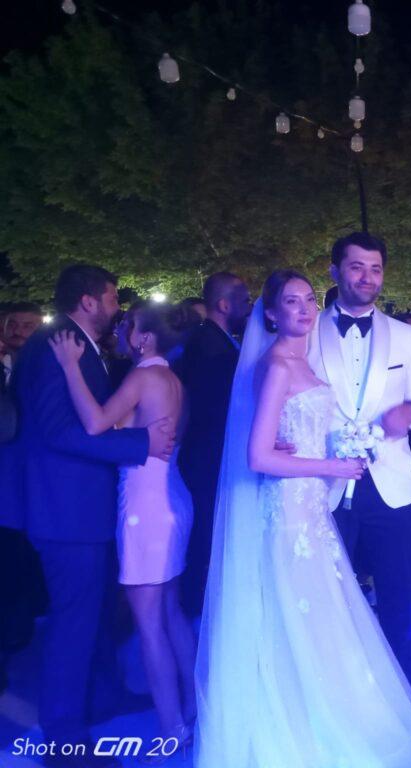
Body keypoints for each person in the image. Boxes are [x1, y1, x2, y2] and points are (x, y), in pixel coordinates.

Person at [195, 270, 411, 768]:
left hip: (310, 507)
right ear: (271, 314)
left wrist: (353, 441)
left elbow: (294, 431)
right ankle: (298, 727)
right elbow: (258, 456)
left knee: (323, 616)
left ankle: (329, 712)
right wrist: (332, 465)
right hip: (289, 509)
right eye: (291, 302)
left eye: (308, 299)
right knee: (298, 614)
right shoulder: (277, 365)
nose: (305, 309)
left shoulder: (300, 359)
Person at [5, 265, 174, 767]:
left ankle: (104, 696)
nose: (116, 307)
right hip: (64, 510)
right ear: (88, 301)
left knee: (94, 613)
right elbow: (59, 432)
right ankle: (63, 741)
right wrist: (139, 444)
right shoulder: (56, 346)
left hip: (80, 508)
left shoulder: (71, 343)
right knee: (73, 622)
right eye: (111, 298)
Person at [49, 304, 197, 748]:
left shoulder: (144, 377)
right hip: (174, 497)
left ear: (144, 338)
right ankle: (195, 704)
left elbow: (96, 424)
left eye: (128, 325)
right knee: (171, 612)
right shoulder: (175, 381)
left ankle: (172, 729)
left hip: (144, 504)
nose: (121, 330)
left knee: (149, 625)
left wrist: (70, 367)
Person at [308, 232, 411, 692]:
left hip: (391, 485)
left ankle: (406, 693)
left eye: (375, 268)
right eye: (357, 267)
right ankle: (338, 694)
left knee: (399, 596)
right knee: (326, 596)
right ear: (335, 271)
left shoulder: (406, 335)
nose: (367, 277)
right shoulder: (306, 332)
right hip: (324, 485)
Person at [176, 272, 251, 616]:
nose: (248, 306)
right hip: (208, 457)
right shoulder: (209, 346)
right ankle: (196, 611)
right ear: (223, 304)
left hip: (212, 454)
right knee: (204, 536)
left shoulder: (218, 340)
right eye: (244, 300)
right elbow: (213, 408)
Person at [1, 302, 43, 386]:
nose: (17, 331)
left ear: (40, 330)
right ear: (4, 327)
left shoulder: (48, 368)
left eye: (27, 326)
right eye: (12, 325)